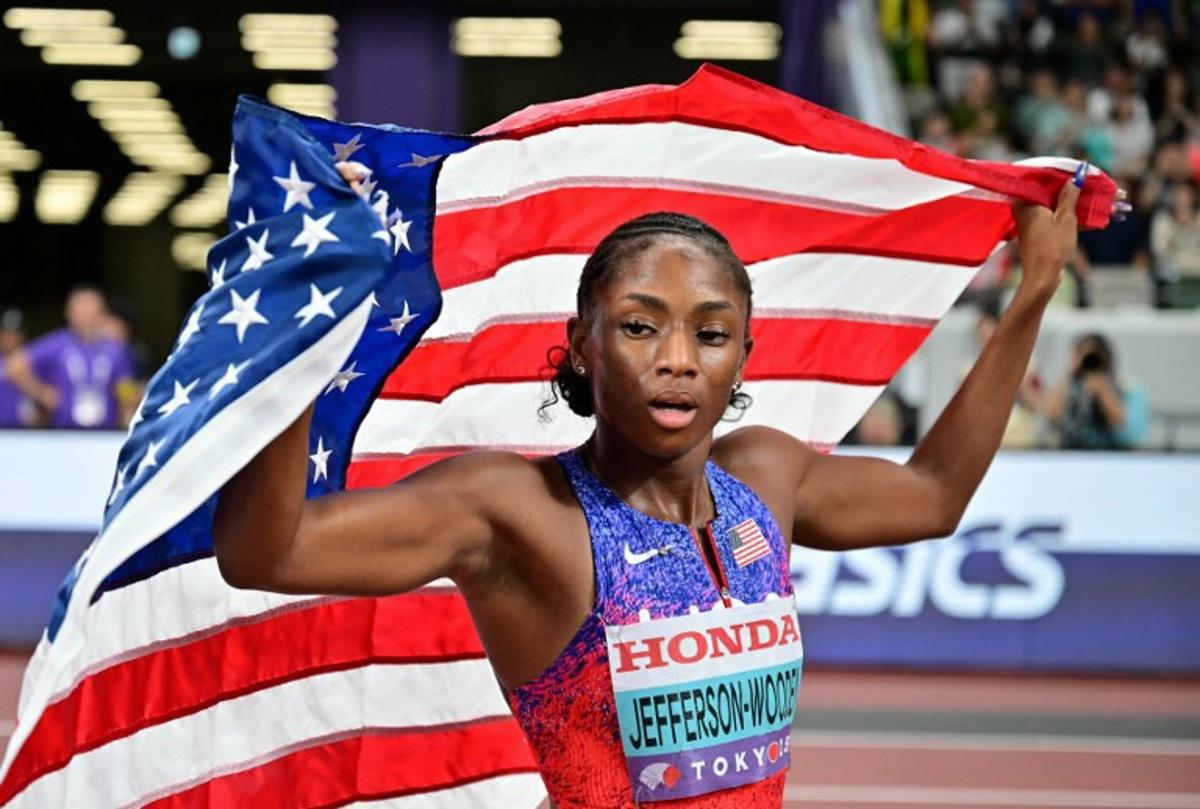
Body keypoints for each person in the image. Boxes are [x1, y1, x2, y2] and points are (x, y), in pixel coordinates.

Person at [213, 164, 1093, 807]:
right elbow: (268, 551)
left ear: (744, 357)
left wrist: (1035, 288)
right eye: (641, 327)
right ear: (583, 343)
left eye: (712, 335)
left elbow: (934, 495)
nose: (677, 360)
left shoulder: (766, 477)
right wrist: (308, 321)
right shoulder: (520, 511)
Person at [3, 284, 134, 429]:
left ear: (102, 314)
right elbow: (13, 366)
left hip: (103, 432)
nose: (87, 316)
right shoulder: (56, 344)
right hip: (63, 432)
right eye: (81, 310)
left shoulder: (114, 349)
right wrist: (43, 393)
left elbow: (125, 385)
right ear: (69, 313)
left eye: (92, 310)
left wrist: (126, 410)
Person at [1036, 332, 1148, 449]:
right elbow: (1051, 414)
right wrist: (1070, 374)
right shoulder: (1069, 385)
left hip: (1111, 452)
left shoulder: (1125, 386)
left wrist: (1103, 391)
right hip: (1071, 452)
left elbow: (1121, 423)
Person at [0, 308, 35, 428]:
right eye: (6, 334)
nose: (11, 339)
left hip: (25, 434)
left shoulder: (34, 361)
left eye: (15, 334)